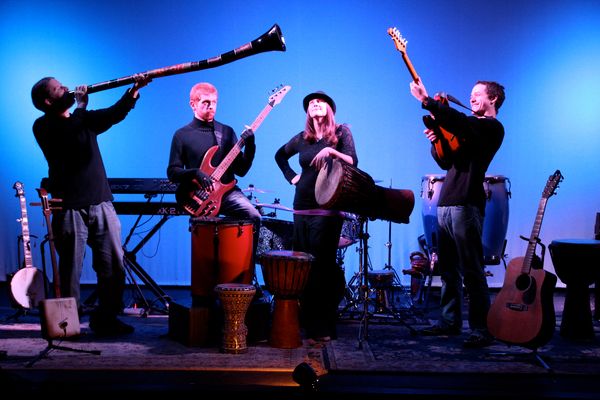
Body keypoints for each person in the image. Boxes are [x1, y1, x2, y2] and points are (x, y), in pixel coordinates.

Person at [31, 74, 151, 336]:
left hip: (100, 201)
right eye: (59, 88)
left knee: (113, 265)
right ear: (48, 101)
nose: (66, 88)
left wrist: (133, 91)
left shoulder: (82, 119)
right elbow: (69, 139)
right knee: (70, 269)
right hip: (70, 206)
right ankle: (68, 324)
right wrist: (82, 107)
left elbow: (113, 115)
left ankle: (106, 318)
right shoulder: (43, 126)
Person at [409, 79, 505, 348]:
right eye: (470, 93)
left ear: (493, 99)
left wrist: (427, 101)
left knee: (472, 269)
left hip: (467, 203)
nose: (471, 97)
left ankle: (481, 329)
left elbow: (462, 123)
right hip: (447, 202)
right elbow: (445, 161)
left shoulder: (491, 127)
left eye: (477, 94)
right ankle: (449, 322)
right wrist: (437, 139)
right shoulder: (469, 129)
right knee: (449, 270)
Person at [275, 91, 358, 344]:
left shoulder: (341, 133)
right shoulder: (302, 138)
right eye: (311, 103)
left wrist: (332, 152)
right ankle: (307, 325)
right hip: (302, 207)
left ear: (330, 108)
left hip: (328, 207)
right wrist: (292, 177)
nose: (315, 104)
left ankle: (324, 326)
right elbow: (280, 155)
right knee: (304, 268)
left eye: (320, 101)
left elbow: (352, 161)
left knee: (323, 268)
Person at [166, 82, 261, 263]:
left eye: (214, 102)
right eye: (206, 102)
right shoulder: (182, 135)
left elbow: (241, 170)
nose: (211, 106)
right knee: (207, 249)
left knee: (254, 216)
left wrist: (250, 146)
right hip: (200, 198)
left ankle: (249, 270)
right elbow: (172, 172)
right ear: (193, 104)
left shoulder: (226, 132)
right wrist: (195, 173)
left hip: (228, 193)